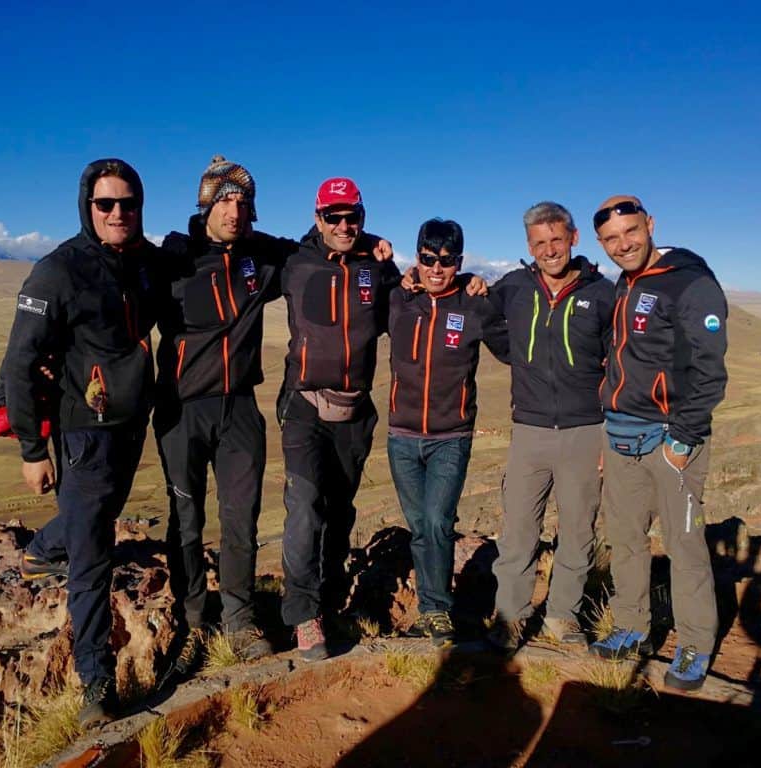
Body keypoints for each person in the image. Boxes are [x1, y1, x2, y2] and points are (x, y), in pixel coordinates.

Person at [155, 159, 397, 680]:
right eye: (223, 201)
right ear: (205, 205)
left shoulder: (267, 257)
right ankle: (196, 618)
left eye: (242, 202)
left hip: (241, 404)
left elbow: (330, 242)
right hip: (182, 406)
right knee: (188, 518)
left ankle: (240, 620)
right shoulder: (172, 259)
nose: (233, 211)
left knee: (241, 519)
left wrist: (376, 242)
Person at [2, 158, 159, 727]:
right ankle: (96, 683)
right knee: (95, 558)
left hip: (129, 425)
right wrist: (30, 450)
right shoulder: (57, 271)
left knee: (100, 515)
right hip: (81, 436)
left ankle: (44, 549)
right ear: (86, 207)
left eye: (128, 203)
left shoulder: (144, 262)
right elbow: (21, 361)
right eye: (106, 204)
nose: (118, 213)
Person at [588, 195, 728, 692]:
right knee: (625, 540)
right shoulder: (625, 282)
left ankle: (694, 641)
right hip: (622, 434)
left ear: (650, 225)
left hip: (670, 440)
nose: (623, 245)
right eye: (611, 240)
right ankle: (632, 626)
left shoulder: (690, 282)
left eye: (631, 232)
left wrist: (683, 439)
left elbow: (711, 372)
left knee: (684, 545)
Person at [277, 178, 404, 661]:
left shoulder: (378, 265)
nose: (344, 224)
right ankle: (303, 616)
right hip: (304, 404)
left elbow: (416, 302)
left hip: (356, 409)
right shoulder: (293, 261)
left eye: (353, 216)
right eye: (334, 216)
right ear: (318, 219)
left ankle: (330, 604)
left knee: (340, 511)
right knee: (305, 507)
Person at [486, 201, 615, 652]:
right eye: (540, 243)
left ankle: (563, 616)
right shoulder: (515, 287)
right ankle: (511, 617)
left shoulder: (602, 293)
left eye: (556, 239)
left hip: (586, 430)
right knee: (520, 529)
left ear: (574, 238)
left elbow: (617, 363)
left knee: (578, 530)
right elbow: (484, 318)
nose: (549, 250)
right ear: (529, 246)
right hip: (530, 431)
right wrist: (517, 354)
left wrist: (609, 434)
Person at [387, 218, 509, 647]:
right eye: (427, 259)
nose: (436, 269)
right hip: (401, 436)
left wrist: (486, 287)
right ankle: (430, 610)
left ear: (458, 262)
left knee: (438, 521)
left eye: (447, 261)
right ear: (416, 257)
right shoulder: (398, 300)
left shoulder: (473, 305)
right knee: (420, 524)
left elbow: (511, 349)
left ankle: (437, 611)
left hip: (450, 437)